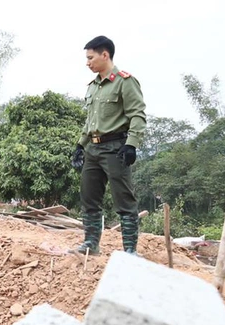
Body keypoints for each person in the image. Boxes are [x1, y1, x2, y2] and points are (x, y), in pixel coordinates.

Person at [71, 35, 146, 255]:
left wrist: (132, 144)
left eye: (90, 57)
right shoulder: (93, 87)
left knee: (124, 200)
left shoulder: (124, 81)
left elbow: (138, 115)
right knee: (89, 196)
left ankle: (130, 251)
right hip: (93, 149)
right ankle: (91, 244)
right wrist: (79, 146)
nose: (87, 62)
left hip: (115, 148)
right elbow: (90, 122)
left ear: (105, 55)